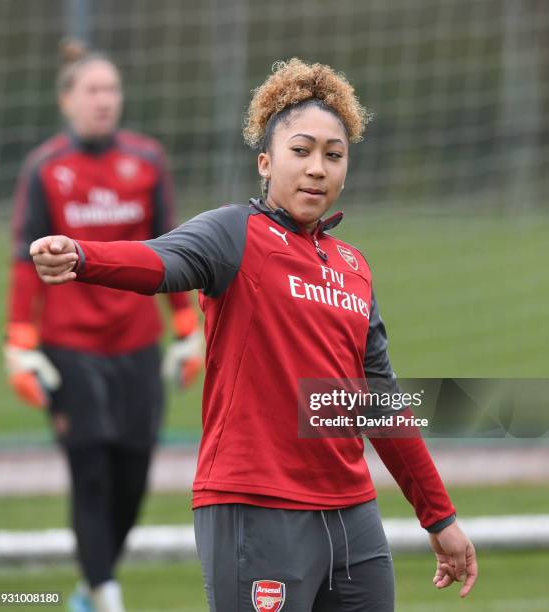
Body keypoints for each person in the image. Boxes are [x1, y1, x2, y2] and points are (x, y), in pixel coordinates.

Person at [28, 58, 478, 612]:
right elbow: (160, 260)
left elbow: (379, 404)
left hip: (353, 518)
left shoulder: (354, 268)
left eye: (333, 156)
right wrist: (82, 256)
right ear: (266, 162)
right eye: (301, 151)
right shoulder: (234, 234)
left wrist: (440, 517)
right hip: (256, 506)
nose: (317, 168)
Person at [4, 40, 202, 612]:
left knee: (134, 474)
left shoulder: (147, 161)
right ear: (67, 101)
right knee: (90, 470)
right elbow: (24, 259)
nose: (104, 101)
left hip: (138, 343)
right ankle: (105, 594)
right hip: (71, 347)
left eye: (111, 89)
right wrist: (20, 342)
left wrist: (186, 327)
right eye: (92, 90)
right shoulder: (46, 168)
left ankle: (91, 585)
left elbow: (173, 248)